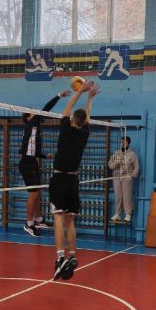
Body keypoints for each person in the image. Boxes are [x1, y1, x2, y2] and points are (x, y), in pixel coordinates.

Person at [49, 80, 100, 281]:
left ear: (72, 120)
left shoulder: (65, 130)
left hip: (59, 178)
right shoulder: (84, 134)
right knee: (70, 221)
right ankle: (72, 255)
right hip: (73, 182)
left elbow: (68, 106)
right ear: (84, 122)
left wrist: (81, 92)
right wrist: (90, 98)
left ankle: (60, 258)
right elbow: (87, 116)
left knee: (58, 218)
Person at [19, 90, 68, 237]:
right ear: (28, 117)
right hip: (26, 163)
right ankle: (28, 224)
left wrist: (45, 156)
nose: (35, 112)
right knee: (33, 193)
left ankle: (38, 219)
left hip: (32, 162)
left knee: (38, 192)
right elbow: (47, 108)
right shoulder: (31, 123)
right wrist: (59, 96)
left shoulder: (34, 128)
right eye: (32, 111)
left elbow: (33, 150)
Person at [108, 135, 140, 222]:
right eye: (121, 142)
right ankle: (117, 214)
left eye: (124, 142)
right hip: (117, 177)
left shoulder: (132, 154)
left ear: (128, 143)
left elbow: (136, 166)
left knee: (127, 196)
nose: (122, 143)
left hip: (126, 178)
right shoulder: (116, 153)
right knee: (118, 196)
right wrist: (116, 163)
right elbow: (110, 165)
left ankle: (128, 214)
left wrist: (132, 176)